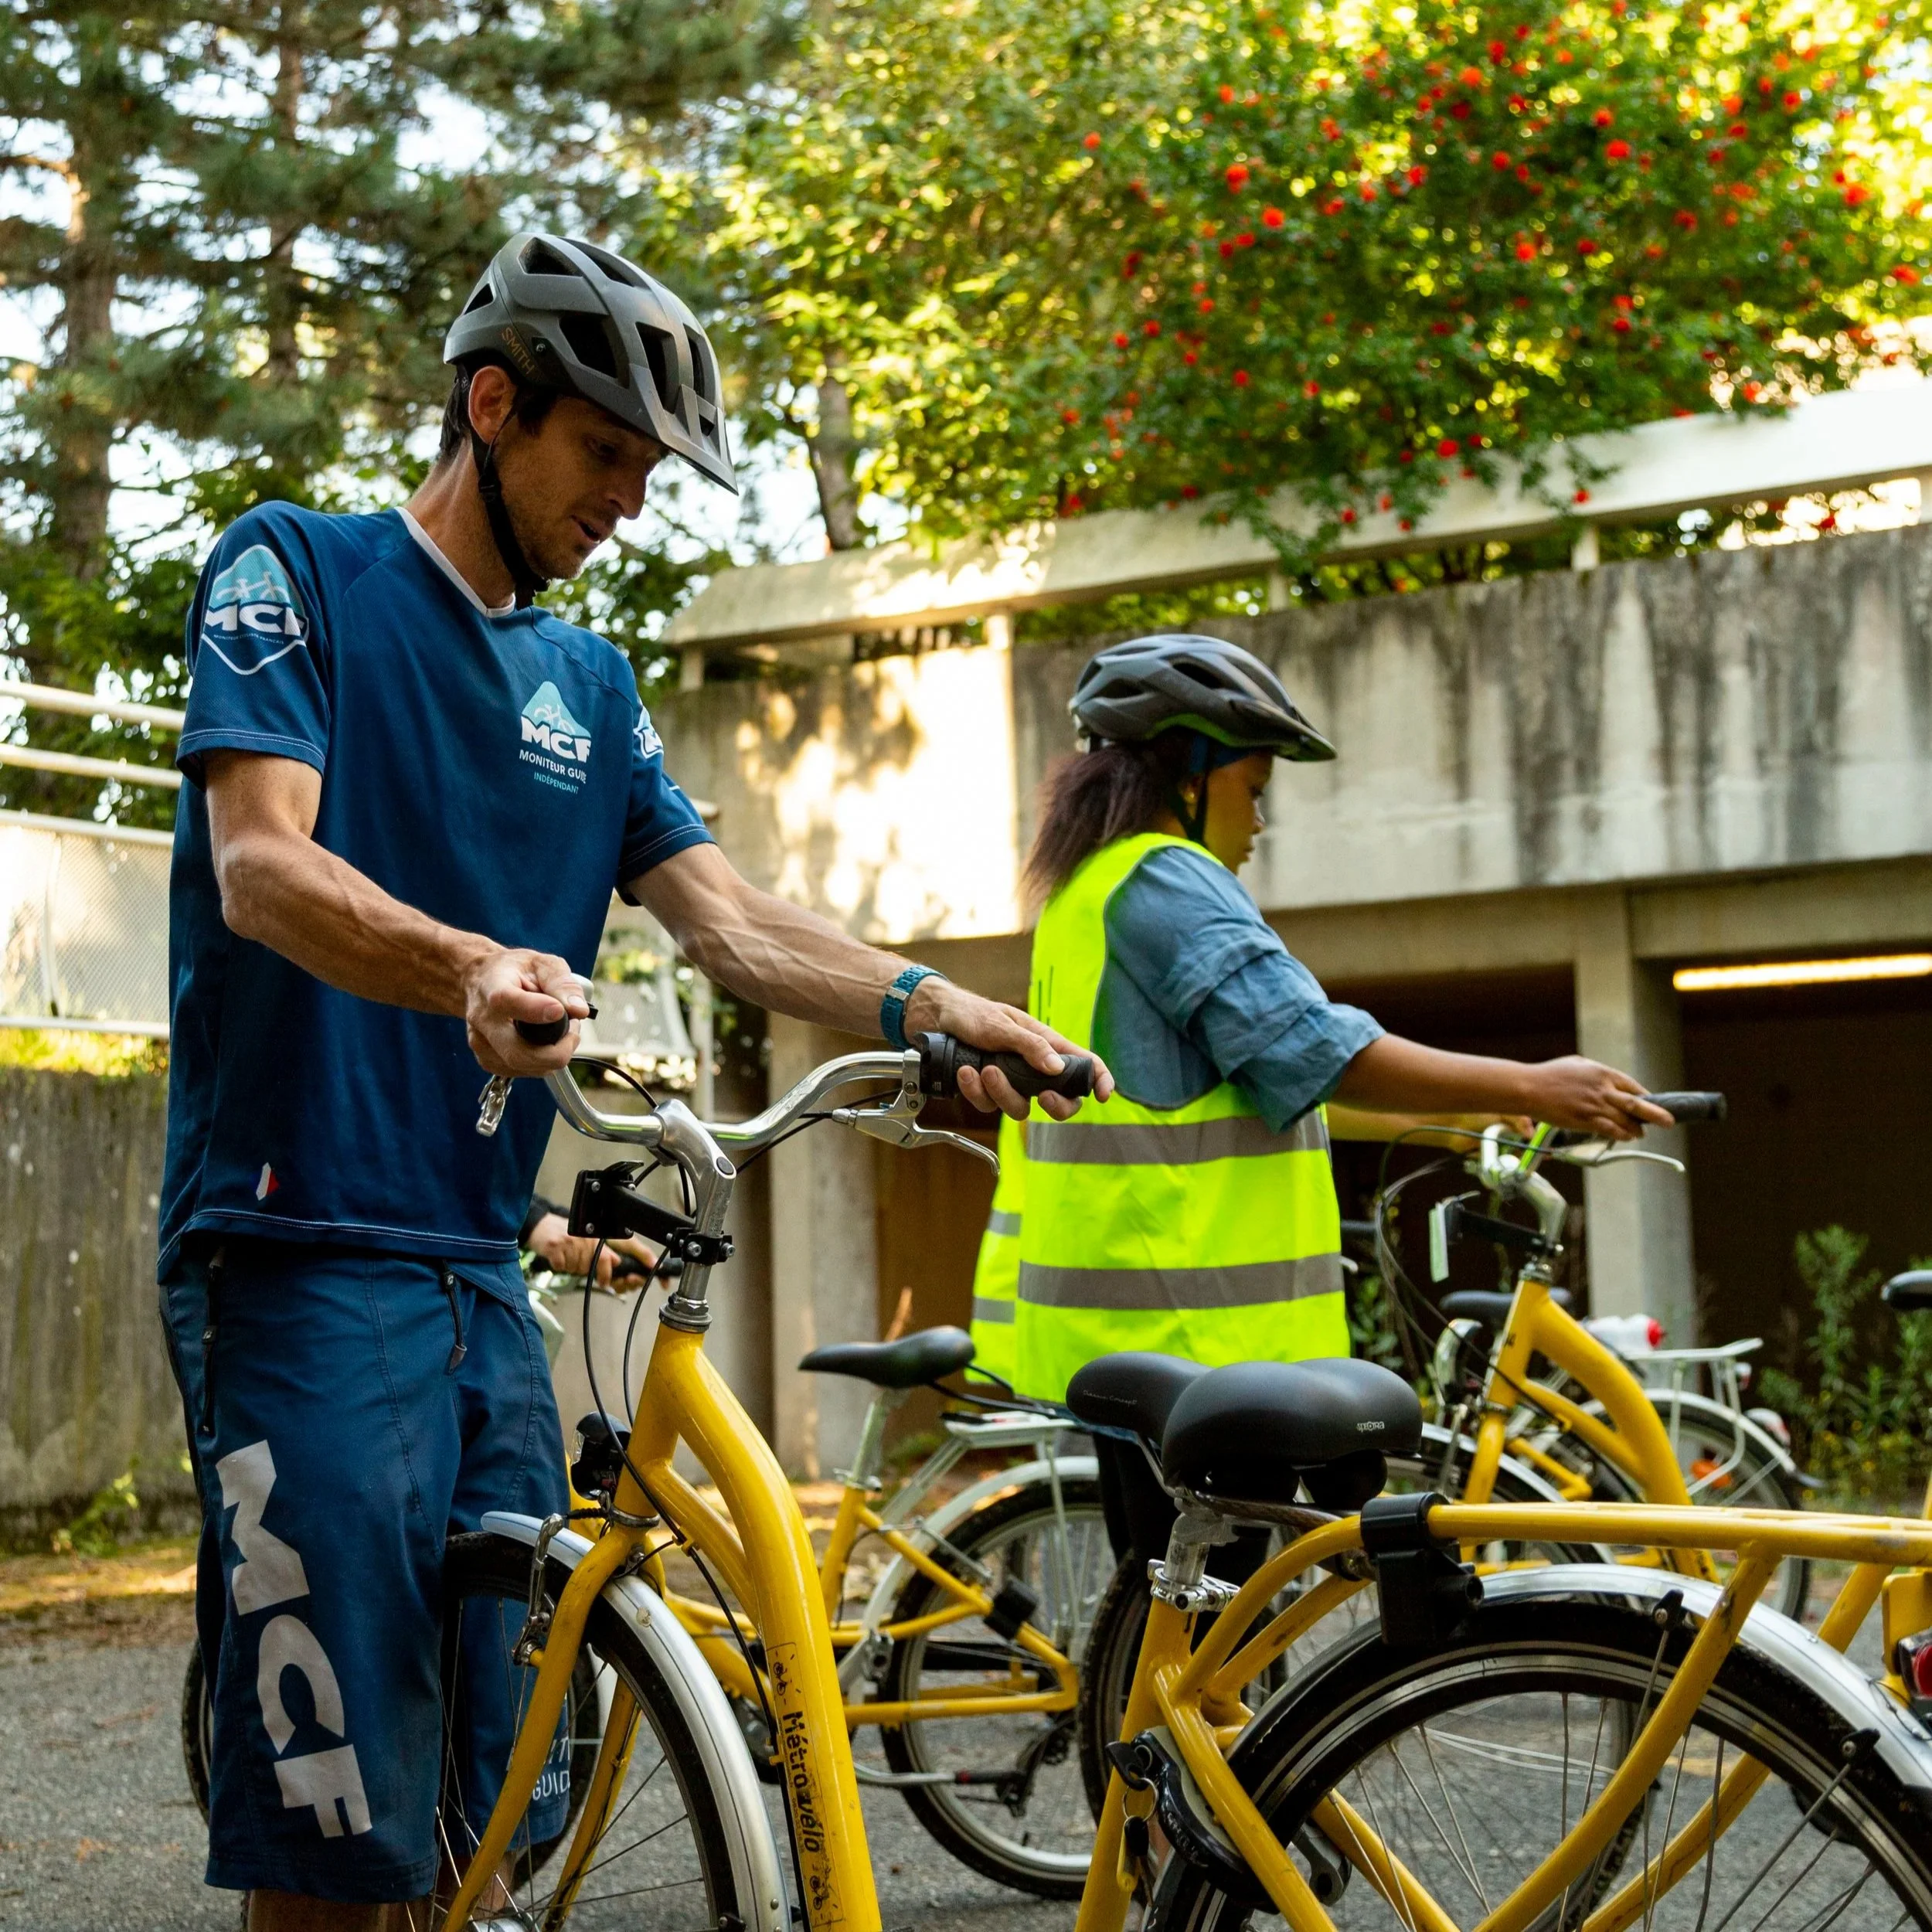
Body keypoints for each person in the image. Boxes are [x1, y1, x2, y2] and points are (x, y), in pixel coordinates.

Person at [158, 230, 1110, 1932]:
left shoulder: (587, 687)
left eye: (650, 470)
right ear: (491, 402)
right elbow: (260, 864)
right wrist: (466, 960)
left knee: (492, 1790)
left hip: (471, 1270)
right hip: (296, 1250)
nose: (632, 501)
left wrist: (936, 1002)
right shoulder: (294, 571)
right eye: (606, 455)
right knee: (337, 1815)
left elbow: (732, 920)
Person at [990, 632, 1669, 1570]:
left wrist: (1475, 1116)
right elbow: (1317, 1049)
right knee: (1214, 1650)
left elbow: (1266, 1089)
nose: (1260, 824)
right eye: (1253, 790)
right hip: (1200, 1340)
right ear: (1189, 766)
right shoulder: (1164, 879)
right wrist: (1533, 1080)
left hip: (1132, 1337)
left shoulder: (1082, 897)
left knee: (1179, 1642)